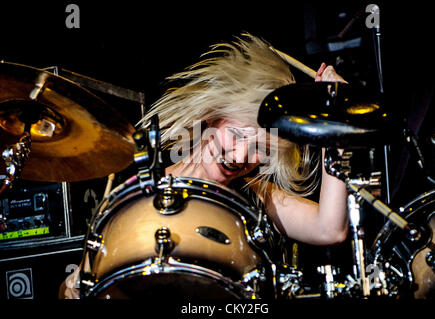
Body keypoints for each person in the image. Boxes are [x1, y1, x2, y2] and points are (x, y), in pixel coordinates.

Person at [61, 33, 348, 299]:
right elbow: (76, 286)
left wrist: (338, 122)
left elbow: (330, 229)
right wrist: (72, 287)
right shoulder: (134, 190)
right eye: (236, 135)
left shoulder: (256, 197)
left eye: (259, 150)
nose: (239, 156)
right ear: (213, 118)